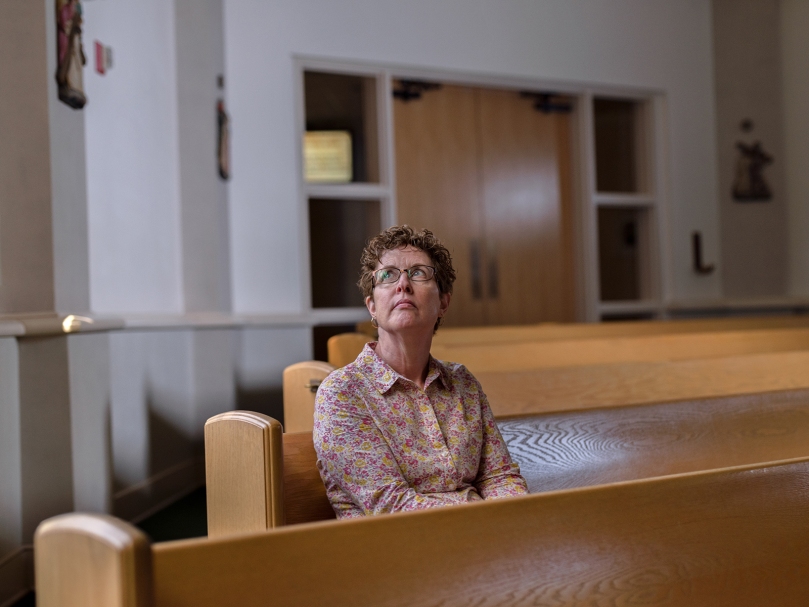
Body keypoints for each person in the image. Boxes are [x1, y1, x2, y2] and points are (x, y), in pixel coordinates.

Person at [314, 225, 528, 518]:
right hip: (394, 552)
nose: (403, 284)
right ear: (372, 306)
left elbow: (499, 477)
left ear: (443, 302)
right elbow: (391, 506)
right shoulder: (342, 393)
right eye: (388, 275)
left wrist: (517, 524)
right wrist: (479, 511)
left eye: (418, 273)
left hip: (481, 542)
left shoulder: (462, 383)